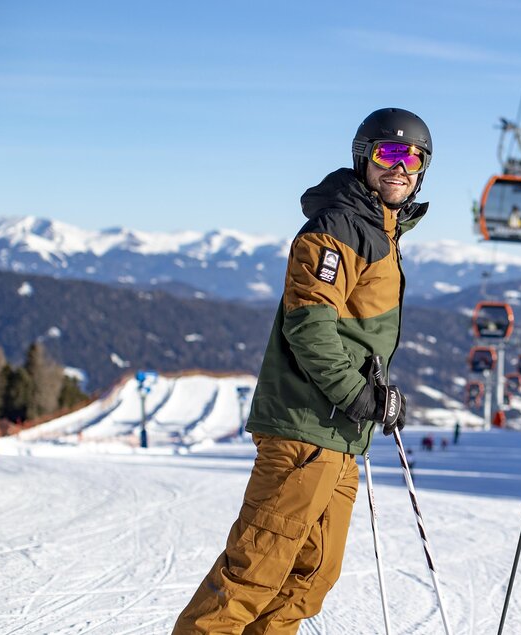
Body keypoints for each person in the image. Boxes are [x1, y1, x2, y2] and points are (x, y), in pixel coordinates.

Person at [173, 107, 433, 634]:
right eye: (388, 153)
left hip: (339, 439)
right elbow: (309, 326)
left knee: (308, 580)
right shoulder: (337, 228)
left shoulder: (378, 231)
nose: (400, 167)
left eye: (413, 156)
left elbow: (355, 334)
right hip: (305, 431)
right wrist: (357, 393)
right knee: (253, 574)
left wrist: (376, 392)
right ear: (363, 158)